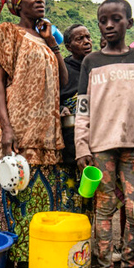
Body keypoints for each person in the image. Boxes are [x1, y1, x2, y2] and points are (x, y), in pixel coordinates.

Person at [0, 0, 69, 268]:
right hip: (17, 127)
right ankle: (8, 262)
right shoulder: (8, 32)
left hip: (45, 132)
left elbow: (63, 80)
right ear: (19, 1)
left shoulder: (46, 41)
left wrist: (53, 44)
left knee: (40, 198)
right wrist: (6, 129)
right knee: (13, 192)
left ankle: (35, 254)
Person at [75, 0, 134, 268]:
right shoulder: (91, 61)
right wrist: (82, 147)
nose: (109, 25)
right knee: (104, 209)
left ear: (129, 23)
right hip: (101, 148)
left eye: (116, 19)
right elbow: (83, 109)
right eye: (103, 20)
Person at [59, 24, 93, 167]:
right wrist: (60, 107)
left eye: (88, 37)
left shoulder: (97, 65)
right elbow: (51, 97)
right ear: (68, 47)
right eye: (80, 39)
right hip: (70, 137)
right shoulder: (63, 69)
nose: (86, 41)